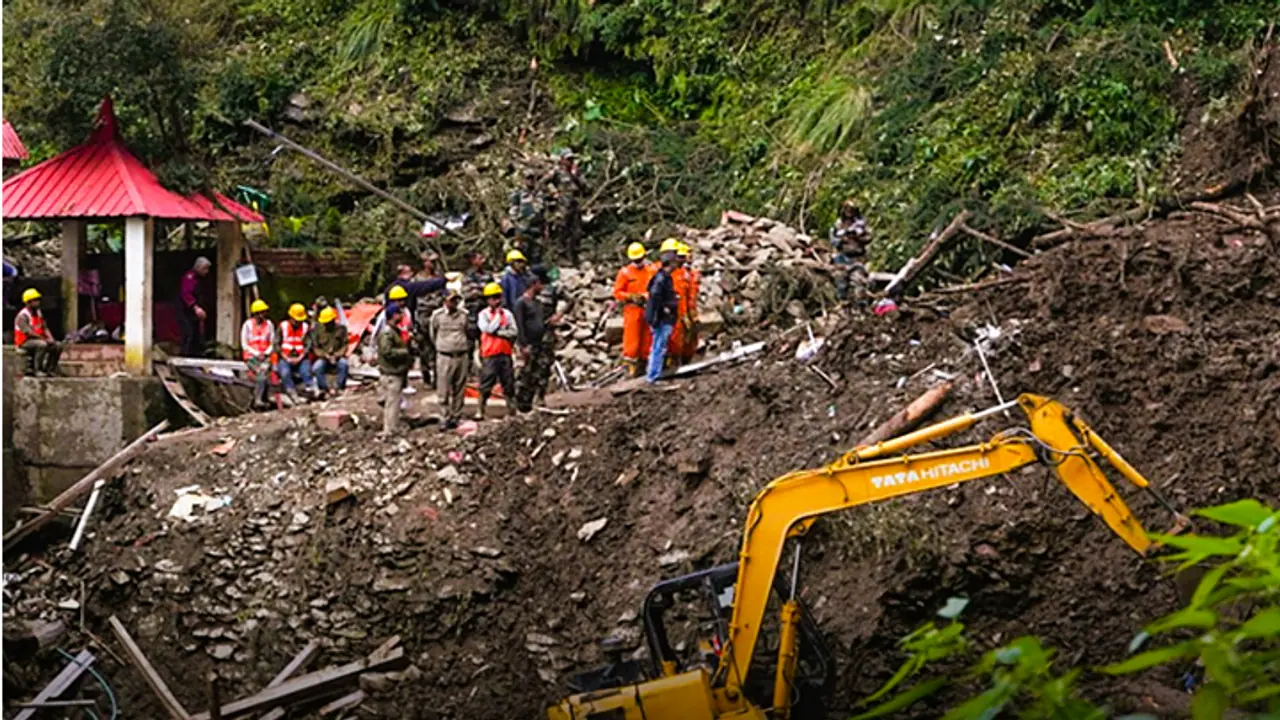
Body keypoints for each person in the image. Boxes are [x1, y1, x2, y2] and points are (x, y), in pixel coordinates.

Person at [386, 263, 447, 384]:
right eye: (409, 272)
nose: (412, 274)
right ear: (402, 273)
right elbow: (422, 287)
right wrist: (442, 281)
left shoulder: (390, 288)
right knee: (410, 353)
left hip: (403, 325)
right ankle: (403, 382)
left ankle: (407, 380)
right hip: (402, 327)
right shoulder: (404, 288)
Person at [514, 267, 559, 412]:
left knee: (542, 370)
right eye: (540, 285)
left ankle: (539, 397)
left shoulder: (537, 303)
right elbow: (519, 325)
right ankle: (522, 403)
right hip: (529, 343)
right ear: (534, 284)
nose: (542, 288)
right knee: (526, 373)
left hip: (541, 342)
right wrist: (522, 345)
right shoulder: (521, 303)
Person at [475, 283, 518, 420]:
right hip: (489, 354)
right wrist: (498, 318)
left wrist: (499, 333)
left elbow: (514, 331)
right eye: (493, 298)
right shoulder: (483, 315)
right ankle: (480, 410)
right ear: (487, 300)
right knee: (486, 384)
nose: (496, 300)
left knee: (508, 383)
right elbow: (488, 329)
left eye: (497, 297)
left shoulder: (508, 314)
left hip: (505, 353)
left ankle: (512, 410)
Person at [430, 289, 470, 429]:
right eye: (452, 300)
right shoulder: (437, 316)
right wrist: (442, 347)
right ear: (445, 301)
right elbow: (432, 334)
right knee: (443, 389)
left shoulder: (464, 315)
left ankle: (456, 416)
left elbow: (467, 332)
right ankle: (444, 416)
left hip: (461, 355)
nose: (454, 303)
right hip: (444, 356)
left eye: (456, 300)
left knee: (459, 388)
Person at [612, 242, 653, 377]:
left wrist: (648, 296)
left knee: (647, 337)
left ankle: (645, 363)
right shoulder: (625, 273)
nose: (639, 262)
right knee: (632, 339)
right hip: (632, 309)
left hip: (647, 308)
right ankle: (630, 366)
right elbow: (617, 292)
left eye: (640, 259)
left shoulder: (649, 270)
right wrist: (631, 297)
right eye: (636, 260)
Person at [377, 289, 415, 434]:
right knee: (392, 403)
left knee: (391, 402)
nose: (401, 316)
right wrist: (404, 352)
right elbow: (387, 351)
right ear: (393, 315)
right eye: (399, 313)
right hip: (392, 372)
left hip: (395, 370)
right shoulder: (388, 333)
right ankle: (391, 430)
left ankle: (390, 428)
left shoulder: (394, 331)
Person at [644, 243, 680, 384]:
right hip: (661, 318)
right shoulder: (661, 279)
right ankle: (653, 377)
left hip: (662, 317)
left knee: (659, 346)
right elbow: (655, 296)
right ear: (669, 262)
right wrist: (663, 308)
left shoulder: (663, 277)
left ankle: (654, 374)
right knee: (658, 346)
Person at [545, 149, 586, 264]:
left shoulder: (576, 172)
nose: (571, 162)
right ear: (562, 160)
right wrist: (553, 192)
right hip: (562, 206)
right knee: (562, 231)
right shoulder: (557, 172)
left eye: (572, 159)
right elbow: (544, 182)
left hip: (575, 206)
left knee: (577, 231)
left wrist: (575, 176)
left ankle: (574, 255)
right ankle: (560, 255)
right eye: (568, 159)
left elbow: (584, 187)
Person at [413, 252, 446, 387]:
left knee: (437, 347)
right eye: (429, 261)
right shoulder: (418, 278)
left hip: (437, 315)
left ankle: (438, 378)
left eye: (434, 262)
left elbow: (444, 295)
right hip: (423, 315)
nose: (432, 264)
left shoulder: (439, 278)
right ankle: (426, 376)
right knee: (424, 348)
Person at [829, 200, 871, 300]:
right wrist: (842, 239)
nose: (849, 212)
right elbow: (833, 240)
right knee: (841, 283)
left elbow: (869, 237)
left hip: (857, 258)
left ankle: (861, 307)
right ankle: (843, 305)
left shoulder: (861, 224)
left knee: (859, 283)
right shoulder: (838, 224)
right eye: (847, 209)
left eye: (851, 210)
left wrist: (858, 237)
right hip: (841, 258)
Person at [14, 288, 61, 376]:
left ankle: (50, 369)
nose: (38, 302)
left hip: (38, 339)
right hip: (25, 341)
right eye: (35, 300)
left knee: (57, 346)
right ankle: (37, 369)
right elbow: (28, 332)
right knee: (42, 344)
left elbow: (45, 327)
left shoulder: (38, 313)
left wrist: (51, 338)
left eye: (38, 300)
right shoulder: (23, 316)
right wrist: (44, 339)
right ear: (28, 302)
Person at [240, 299, 276, 409]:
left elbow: (272, 342)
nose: (264, 314)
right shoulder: (247, 325)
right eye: (262, 312)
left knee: (266, 371)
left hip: (266, 356)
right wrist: (256, 354)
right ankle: (259, 399)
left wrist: (266, 353)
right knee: (261, 374)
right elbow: (244, 344)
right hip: (251, 357)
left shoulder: (269, 324)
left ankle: (263, 399)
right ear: (256, 313)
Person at [507, 169, 546, 264]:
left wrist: (545, 226)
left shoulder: (539, 193)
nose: (531, 181)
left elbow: (544, 209)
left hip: (537, 227)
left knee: (537, 252)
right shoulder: (518, 192)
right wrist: (516, 223)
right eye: (528, 178)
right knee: (523, 251)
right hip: (523, 227)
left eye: (532, 178)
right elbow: (513, 208)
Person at [277, 303, 313, 402]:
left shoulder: (305, 327)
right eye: (296, 320)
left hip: (301, 357)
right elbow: (276, 344)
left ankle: (311, 390)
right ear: (291, 317)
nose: (298, 323)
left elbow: (308, 345)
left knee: (306, 372)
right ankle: (291, 391)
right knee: (285, 373)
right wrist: (285, 357)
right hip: (285, 357)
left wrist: (300, 357)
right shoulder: (283, 326)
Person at [309, 306, 349, 397]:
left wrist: (337, 355)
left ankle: (339, 387)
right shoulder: (318, 330)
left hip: (337, 356)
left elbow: (345, 345)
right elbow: (316, 348)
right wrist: (324, 355)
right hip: (324, 357)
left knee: (344, 364)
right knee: (317, 367)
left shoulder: (341, 329)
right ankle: (325, 388)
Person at [177, 257, 211, 357]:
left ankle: (195, 356)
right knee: (188, 333)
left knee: (196, 334)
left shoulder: (201, 279)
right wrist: (196, 308)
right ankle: (185, 357)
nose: (207, 271)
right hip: (186, 311)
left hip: (194, 312)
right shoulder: (189, 278)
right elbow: (186, 294)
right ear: (198, 267)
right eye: (205, 269)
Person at [462, 251, 491, 358]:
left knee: (485, 344)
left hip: (485, 314)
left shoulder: (488, 275)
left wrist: (479, 292)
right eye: (479, 258)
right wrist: (482, 292)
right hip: (471, 316)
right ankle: (467, 371)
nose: (482, 260)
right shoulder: (467, 275)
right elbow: (468, 294)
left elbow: (492, 292)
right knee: (469, 345)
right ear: (473, 261)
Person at [669, 242, 693, 370]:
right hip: (672, 311)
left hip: (683, 310)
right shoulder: (670, 273)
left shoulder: (684, 273)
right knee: (672, 338)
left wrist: (688, 313)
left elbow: (688, 294)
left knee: (683, 337)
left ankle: (681, 361)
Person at [678, 243, 701, 364]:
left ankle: (688, 359)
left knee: (692, 335)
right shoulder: (679, 274)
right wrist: (684, 314)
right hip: (682, 310)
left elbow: (693, 294)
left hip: (691, 308)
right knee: (681, 336)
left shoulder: (691, 273)